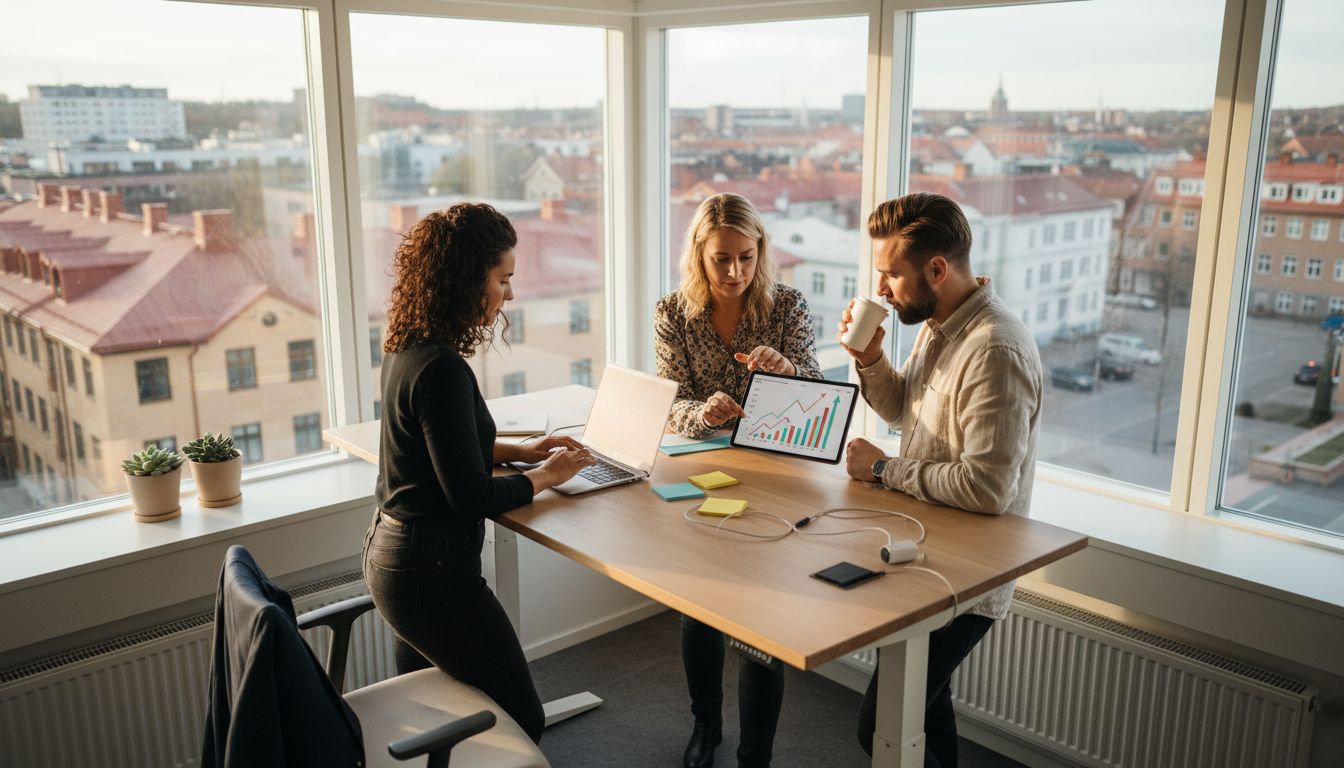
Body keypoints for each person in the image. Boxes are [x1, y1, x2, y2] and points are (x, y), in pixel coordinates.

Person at [364, 203, 597, 744]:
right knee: (521, 719)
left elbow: (444, 449)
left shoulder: (409, 347)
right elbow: (470, 496)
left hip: (397, 558)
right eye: (504, 279)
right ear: (470, 281)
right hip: (430, 574)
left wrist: (524, 449)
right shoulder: (443, 367)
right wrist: (549, 475)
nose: (509, 294)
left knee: (439, 719)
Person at [838, 192, 1043, 768]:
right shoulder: (939, 322)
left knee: (882, 725)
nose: (881, 290)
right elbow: (904, 410)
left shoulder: (995, 349)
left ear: (936, 269)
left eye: (891, 275)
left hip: (968, 579)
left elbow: (988, 489)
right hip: (928, 555)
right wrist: (872, 359)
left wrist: (882, 469)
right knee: (925, 710)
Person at [654, 192, 822, 768]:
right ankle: (707, 725)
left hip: (773, 476)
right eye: (721, 259)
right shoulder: (672, 313)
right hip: (703, 474)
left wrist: (790, 372)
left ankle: (756, 753)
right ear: (698, 254)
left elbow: (819, 396)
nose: (735, 273)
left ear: (761, 252)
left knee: (760, 619)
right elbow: (668, 403)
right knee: (698, 606)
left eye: (747, 258)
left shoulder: (787, 306)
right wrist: (702, 414)